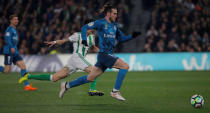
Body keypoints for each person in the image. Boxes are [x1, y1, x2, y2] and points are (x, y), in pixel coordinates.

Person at [58, 3, 141, 101]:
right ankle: (115, 92)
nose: (116, 15)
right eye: (114, 13)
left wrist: (132, 36)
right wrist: (84, 39)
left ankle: (67, 85)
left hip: (106, 56)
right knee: (125, 66)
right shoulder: (100, 23)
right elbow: (84, 28)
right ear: (108, 14)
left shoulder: (115, 26)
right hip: (104, 55)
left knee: (90, 78)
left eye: (116, 13)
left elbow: (122, 38)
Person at [18, 28, 104, 96]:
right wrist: (54, 42)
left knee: (54, 78)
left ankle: (28, 76)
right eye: (90, 28)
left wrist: (102, 53)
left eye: (92, 28)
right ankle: (92, 90)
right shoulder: (77, 35)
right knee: (94, 71)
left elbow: (93, 47)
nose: (91, 30)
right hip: (77, 57)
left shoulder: (92, 37)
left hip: (74, 61)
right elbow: (64, 40)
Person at [0, 14, 37, 91]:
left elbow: (14, 41)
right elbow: (7, 39)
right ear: (11, 21)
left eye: (17, 19)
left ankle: (27, 86)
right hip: (9, 52)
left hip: (15, 52)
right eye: (14, 19)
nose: (16, 21)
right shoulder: (9, 29)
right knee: (7, 71)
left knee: (23, 66)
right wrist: (12, 47)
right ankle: (27, 85)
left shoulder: (14, 29)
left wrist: (15, 48)